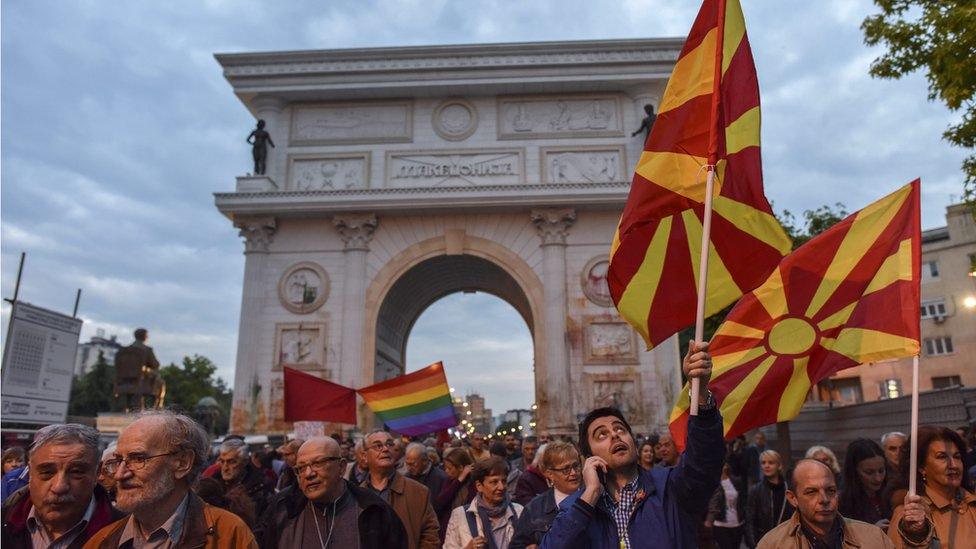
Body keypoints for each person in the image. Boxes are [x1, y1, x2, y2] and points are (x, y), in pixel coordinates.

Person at [541, 340, 723, 548]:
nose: (615, 436)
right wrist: (590, 493)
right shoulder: (576, 507)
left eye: (620, 429)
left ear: (633, 441)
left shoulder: (672, 487)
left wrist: (700, 394)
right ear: (589, 457)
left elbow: (704, 462)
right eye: (601, 435)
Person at [85, 411, 256, 548]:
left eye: (138, 458)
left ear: (182, 463)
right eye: (118, 461)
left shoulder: (230, 535)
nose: (119, 474)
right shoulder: (101, 540)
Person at [255, 436, 407, 548]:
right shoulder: (282, 508)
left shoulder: (374, 510)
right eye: (301, 468)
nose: (308, 473)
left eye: (318, 463)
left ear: (341, 467)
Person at [2, 424, 122, 548]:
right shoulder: (4, 523)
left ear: (97, 473)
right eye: (47, 472)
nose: (59, 487)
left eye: (76, 472)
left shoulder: (126, 534)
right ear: (30, 472)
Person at [757, 459, 894, 548]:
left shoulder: (874, 537)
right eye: (811, 492)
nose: (824, 499)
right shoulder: (773, 544)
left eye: (830, 490)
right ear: (793, 498)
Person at [889, 426, 976, 548]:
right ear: (921, 467)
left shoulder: (972, 503)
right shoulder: (910, 514)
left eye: (957, 457)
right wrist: (916, 534)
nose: (954, 465)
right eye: (942, 457)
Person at [360, 430, 440, 549]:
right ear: (365, 456)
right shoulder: (355, 495)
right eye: (378, 446)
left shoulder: (418, 492)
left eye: (389, 444)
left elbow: (430, 536)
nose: (386, 449)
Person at [511, 442, 581, 549]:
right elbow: (516, 545)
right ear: (550, 474)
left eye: (576, 466)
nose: (573, 473)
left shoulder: (593, 499)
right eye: (566, 469)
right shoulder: (534, 508)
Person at [444, 456, 523, 549]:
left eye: (504, 481)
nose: (501, 487)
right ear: (479, 486)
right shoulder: (460, 516)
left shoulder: (519, 512)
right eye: (494, 482)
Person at [212, 439, 273, 519]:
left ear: (245, 462)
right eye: (222, 462)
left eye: (232, 462)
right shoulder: (213, 483)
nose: (225, 468)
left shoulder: (260, 486)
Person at [744, 449, 794, 548]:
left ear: (779, 465)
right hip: (763, 542)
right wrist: (754, 545)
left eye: (771, 462)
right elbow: (750, 521)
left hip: (786, 541)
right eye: (763, 463)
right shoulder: (756, 490)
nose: (766, 466)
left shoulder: (789, 488)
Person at [838, 438, 890, 528]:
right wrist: (870, 530)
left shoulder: (891, 493)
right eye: (869, 472)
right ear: (854, 472)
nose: (878, 478)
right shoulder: (842, 502)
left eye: (881, 471)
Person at [436, 448, 476, 543]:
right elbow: (441, 502)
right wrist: (459, 480)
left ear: (461, 468)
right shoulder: (449, 481)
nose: (446, 471)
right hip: (448, 530)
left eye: (449, 468)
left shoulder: (473, 483)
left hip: (468, 530)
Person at [705, 462, 746, 549]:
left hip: (737, 524)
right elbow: (711, 502)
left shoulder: (736, 481)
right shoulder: (712, 482)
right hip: (720, 524)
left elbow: (743, 500)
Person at [404, 442, 448, 506]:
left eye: (412, 464)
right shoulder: (406, 477)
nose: (409, 468)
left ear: (424, 461)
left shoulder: (441, 478)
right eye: (407, 464)